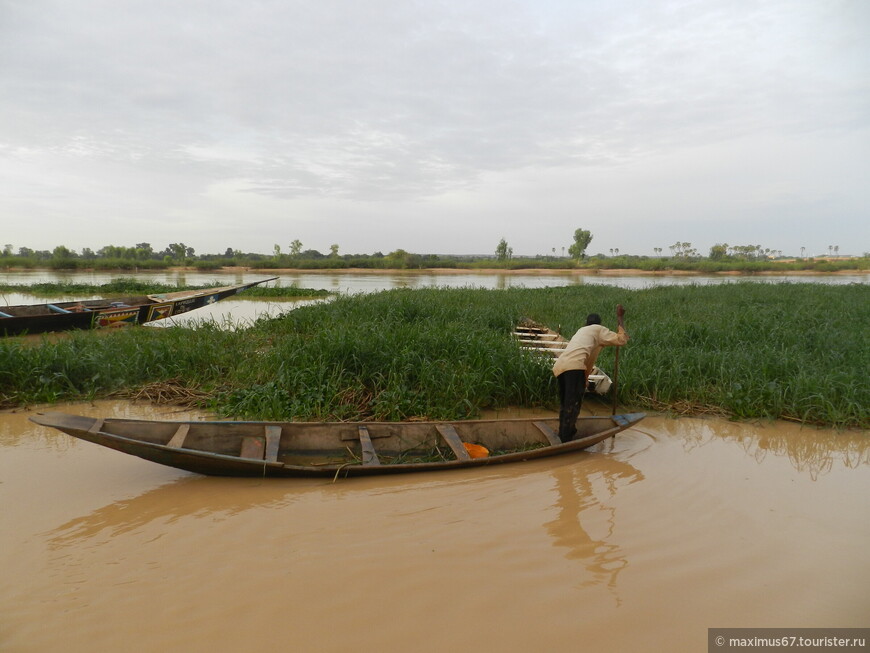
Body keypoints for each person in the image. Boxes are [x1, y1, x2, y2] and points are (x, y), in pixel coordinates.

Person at [553, 305, 628, 442]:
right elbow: (621, 339)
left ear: (586, 323)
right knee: (573, 403)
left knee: (566, 403)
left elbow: (587, 360)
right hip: (574, 367)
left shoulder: (582, 331)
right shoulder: (598, 329)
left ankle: (565, 432)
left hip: (560, 366)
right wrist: (620, 318)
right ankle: (566, 438)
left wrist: (584, 378)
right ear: (599, 324)